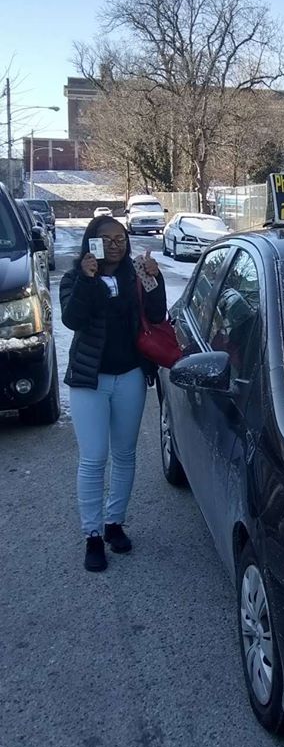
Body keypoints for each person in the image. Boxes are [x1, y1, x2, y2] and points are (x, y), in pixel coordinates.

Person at [60, 217, 168, 572]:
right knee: (93, 459)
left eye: (120, 238)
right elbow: (73, 320)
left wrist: (155, 279)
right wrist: (88, 280)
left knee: (125, 455)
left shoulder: (135, 274)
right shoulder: (75, 278)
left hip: (130, 377)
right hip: (90, 380)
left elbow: (155, 314)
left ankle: (114, 523)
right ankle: (92, 534)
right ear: (91, 241)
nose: (114, 244)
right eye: (105, 238)